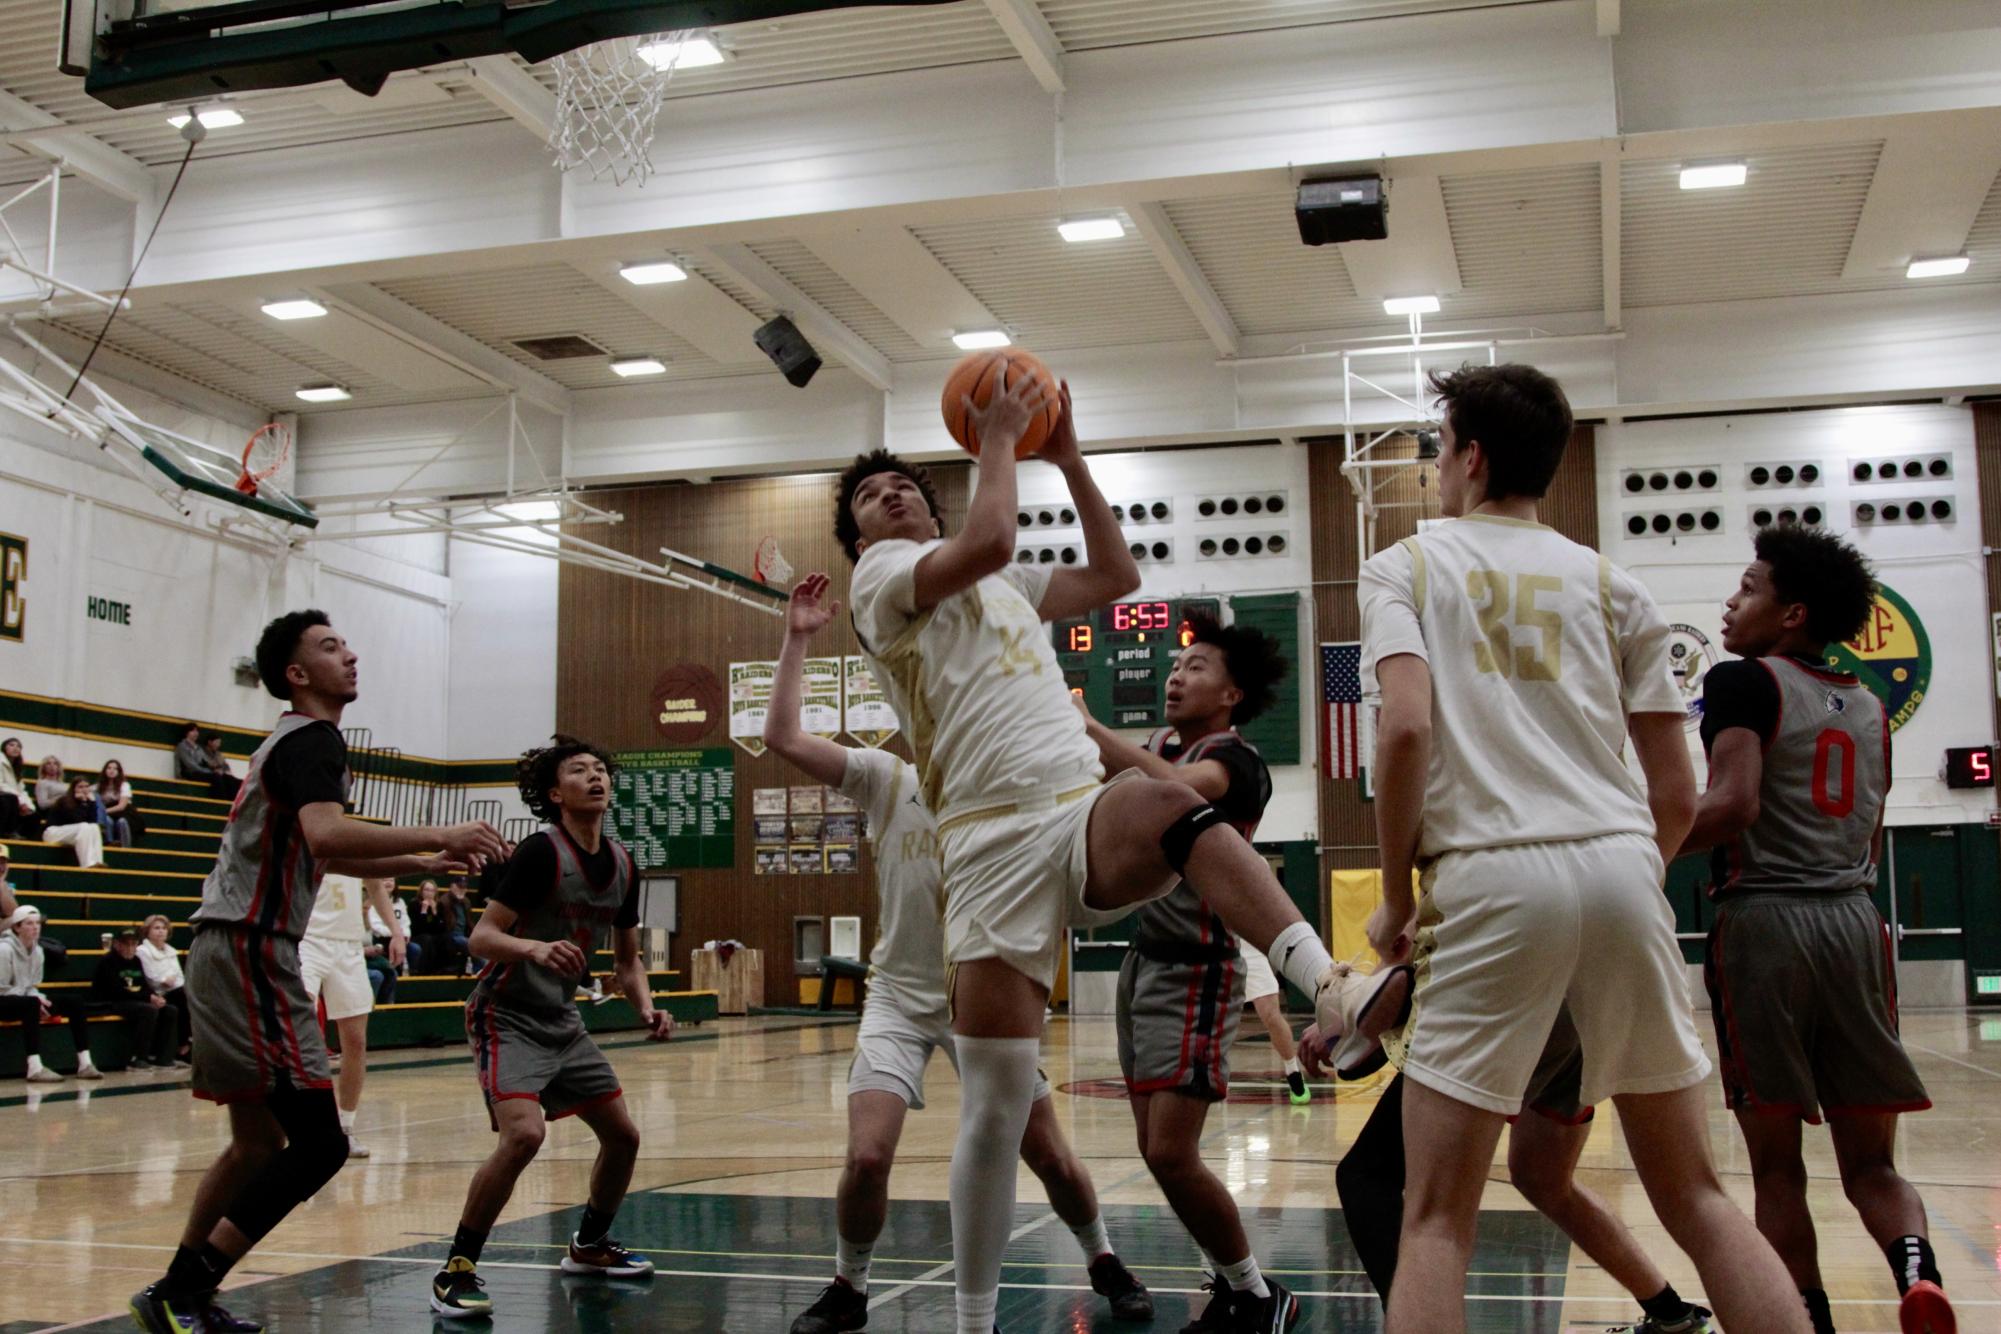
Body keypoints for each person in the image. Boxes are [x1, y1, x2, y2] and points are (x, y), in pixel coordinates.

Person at [838, 366, 1351, 1334]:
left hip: (1073, 809)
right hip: (985, 847)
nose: (891, 493)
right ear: (860, 535)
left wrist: (1068, 459)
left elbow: (1117, 576)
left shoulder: (1001, 581)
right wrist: (997, 431)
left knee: (1166, 804)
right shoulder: (879, 583)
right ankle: (973, 1321)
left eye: (903, 481)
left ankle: (1330, 987)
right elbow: (988, 530)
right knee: (996, 1105)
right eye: (869, 494)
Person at [1354, 362, 1810, 1334]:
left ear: (1469, 459)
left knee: (1434, 1220)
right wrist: (1629, 882)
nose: (1438, 469)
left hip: (1488, 876)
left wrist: (1393, 894)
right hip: (1621, 868)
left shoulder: (1406, 566)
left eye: (1440, 450)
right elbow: (1675, 790)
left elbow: (1402, 730)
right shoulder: (1617, 583)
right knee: (1698, 1195)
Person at [764, 573, 1152, 1334]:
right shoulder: (887, 778)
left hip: (986, 993)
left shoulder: (1018, 788)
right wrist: (799, 637)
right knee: (867, 1158)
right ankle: (849, 1286)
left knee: (1052, 1159)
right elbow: (781, 737)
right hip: (901, 998)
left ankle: (1103, 1257)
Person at [128, 609, 507, 1334]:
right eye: (332, 647)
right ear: (297, 674)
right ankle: (185, 1290)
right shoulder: (314, 740)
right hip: (251, 948)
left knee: (257, 1145)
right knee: (321, 1144)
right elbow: (328, 834)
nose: (352, 655)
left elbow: (324, 853)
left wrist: (422, 862)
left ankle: (176, 1294)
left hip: (235, 944)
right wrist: (441, 831)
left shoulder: (293, 743)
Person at [1682, 527, 1955, 1334]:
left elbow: (1732, 804)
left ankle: (1804, 1320)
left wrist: (1640, 836)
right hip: (1855, 920)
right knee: (1871, 1162)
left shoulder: (1742, 682)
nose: (1731, 603)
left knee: (1776, 1169)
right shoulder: (1872, 709)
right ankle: (1916, 1272)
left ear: (1791, 614)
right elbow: (1869, 830)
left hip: (1765, 924)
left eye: (1748, 588)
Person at [1077, 613, 1300, 1328]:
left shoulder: (1233, 761)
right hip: (1143, 964)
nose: (1177, 675)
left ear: (1231, 693)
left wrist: (1085, 724)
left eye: (1196, 666)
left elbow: (1171, 787)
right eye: (1176, 666)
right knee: (1155, 1150)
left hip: (1198, 972)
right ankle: (1237, 1288)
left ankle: (1257, 1296)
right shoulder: (1156, 746)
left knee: (1173, 1152)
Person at [431, 736, 673, 1321]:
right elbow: (482, 938)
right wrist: (536, 948)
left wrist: (645, 1007)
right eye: (579, 770)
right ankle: (456, 1269)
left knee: (624, 1136)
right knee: (524, 1136)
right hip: (506, 1014)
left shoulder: (623, 863)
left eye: (601, 770)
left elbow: (627, 960)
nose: (595, 777)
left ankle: (589, 1246)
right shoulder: (540, 853)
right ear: (554, 793)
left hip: (562, 1020)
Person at [1318, 1012, 1716, 1333]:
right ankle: (1672, 1315)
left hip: (1511, 998)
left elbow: (1429, 938)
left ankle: (1414, 1318)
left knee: (1382, 1185)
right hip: (1589, 1002)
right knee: (1543, 1177)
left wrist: (1361, 1014)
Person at [300, 872, 406, 1160]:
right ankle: (302, 1127)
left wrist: (396, 931)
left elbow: (374, 883)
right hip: (305, 938)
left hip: (347, 946)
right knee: (301, 1033)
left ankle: (345, 1128)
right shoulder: (307, 833)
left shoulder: (352, 840)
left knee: (356, 1041)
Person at [0, 905, 101, 1082]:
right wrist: (33, 999)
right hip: (3, 1000)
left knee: (74, 1002)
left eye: (37, 923)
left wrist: (38, 997)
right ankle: (34, 1067)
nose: (35, 927)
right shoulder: (4, 949)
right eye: (29, 923)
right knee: (31, 1004)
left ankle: (85, 1063)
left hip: (25, 1000)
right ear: (17, 927)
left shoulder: (38, 951)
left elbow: (32, 985)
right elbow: (2, 987)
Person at [91, 925, 182, 1068]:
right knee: (148, 1010)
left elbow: (144, 986)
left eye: (133, 944)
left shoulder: (136, 961)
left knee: (169, 1009)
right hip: (112, 1002)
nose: (130, 948)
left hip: (135, 1001)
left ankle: (163, 1057)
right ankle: (139, 1057)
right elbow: (116, 991)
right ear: (116, 944)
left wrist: (155, 997)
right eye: (126, 944)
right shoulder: (107, 962)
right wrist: (147, 998)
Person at [138, 913, 192, 1062]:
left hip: (174, 991)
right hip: (155, 993)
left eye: (163, 928)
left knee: (186, 995)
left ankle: (186, 1044)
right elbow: (151, 978)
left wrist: (170, 981)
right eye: (156, 928)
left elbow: (180, 977)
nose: (161, 931)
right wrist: (165, 980)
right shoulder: (142, 951)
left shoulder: (171, 951)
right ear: (147, 931)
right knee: (182, 997)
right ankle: (183, 1046)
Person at [42, 775, 107, 869]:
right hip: (53, 832)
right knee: (84, 826)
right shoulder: (64, 801)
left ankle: (97, 862)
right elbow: (75, 820)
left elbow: (92, 822)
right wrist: (81, 803)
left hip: (73, 833)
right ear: (73, 789)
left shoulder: (87, 803)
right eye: (80, 787)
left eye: (86, 786)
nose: (84, 789)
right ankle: (87, 864)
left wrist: (92, 803)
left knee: (94, 827)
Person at [366, 887, 421, 975]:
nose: (389, 883)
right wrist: (395, 934)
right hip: (382, 939)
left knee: (415, 948)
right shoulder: (374, 901)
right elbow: (376, 926)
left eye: (391, 880)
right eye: (386, 880)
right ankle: (393, 971)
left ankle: (412, 975)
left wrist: (404, 935)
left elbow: (406, 922)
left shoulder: (400, 901)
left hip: (399, 937)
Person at [96, 759, 142, 847]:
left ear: (119, 772)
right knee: (107, 820)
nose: (111, 770)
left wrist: (103, 812)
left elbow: (121, 806)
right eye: (109, 768)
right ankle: (109, 843)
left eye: (115, 769)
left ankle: (125, 847)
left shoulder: (124, 785)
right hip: (109, 814)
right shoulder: (99, 786)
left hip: (125, 813)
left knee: (122, 822)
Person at [411, 880, 451, 975]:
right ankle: (424, 972)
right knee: (426, 939)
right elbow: (417, 928)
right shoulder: (414, 904)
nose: (429, 893)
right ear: (421, 891)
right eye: (426, 890)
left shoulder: (439, 905)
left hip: (433, 935)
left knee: (445, 938)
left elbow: (442, 927)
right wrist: (424, 911)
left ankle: (443, 970)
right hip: (418, 936)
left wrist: (434, 912)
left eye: (432, 890)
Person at [0, 739, 38, 840]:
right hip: (4, 798)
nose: (15, 748)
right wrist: (20, 801)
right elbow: (1, 785)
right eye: (11, 745)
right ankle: (7, 833)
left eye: (18, 746)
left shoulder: (17, 767)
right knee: (10, 799)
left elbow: (22, 790)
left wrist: (28, 806)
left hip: (13, 799)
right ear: (4, 748)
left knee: (33, 814)